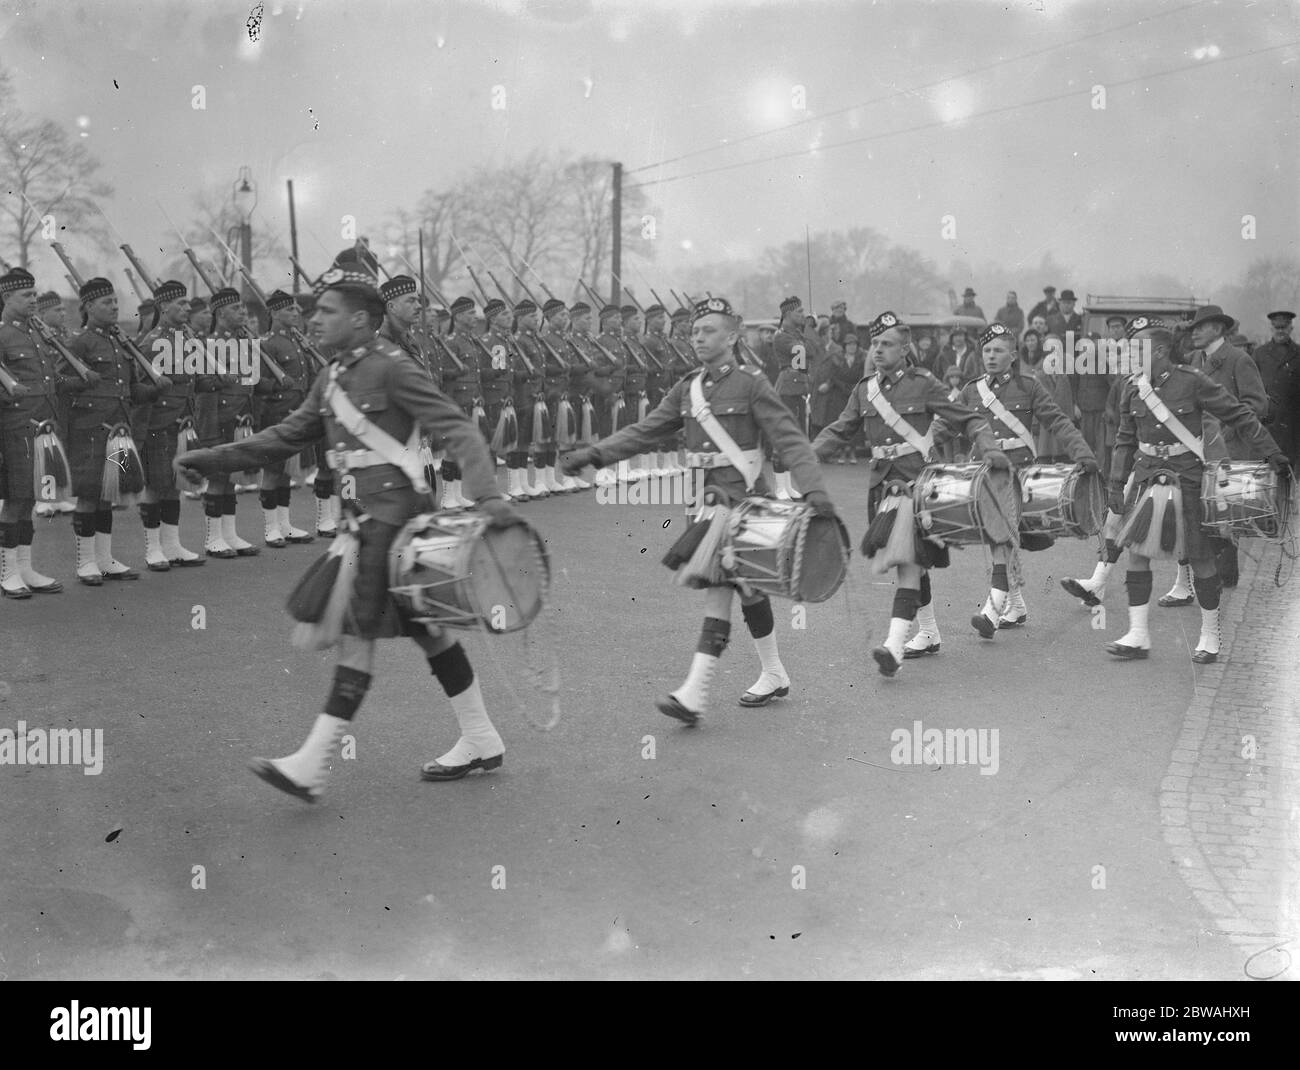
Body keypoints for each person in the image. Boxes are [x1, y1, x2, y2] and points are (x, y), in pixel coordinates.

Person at [174, 280, 525, 801]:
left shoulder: (394, 366)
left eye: (328, 311)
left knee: (357, 635)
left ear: (361, 319)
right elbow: (285, 436)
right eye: (314, 311)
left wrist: (490, 500)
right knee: (429, 633)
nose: (314, 319)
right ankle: (480, 737)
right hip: (362, 523)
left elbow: (459, 430)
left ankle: (310, 764)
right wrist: (208, 459)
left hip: (394, 524)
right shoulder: (331, 374)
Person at [560, 296, 835, 723]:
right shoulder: (687, 388)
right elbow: (645, 430)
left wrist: (815, 491)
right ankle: (772, 673)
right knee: (741, 589)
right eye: (694, 331)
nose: (698, 338)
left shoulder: (752, 383)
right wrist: (594, 454)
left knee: (727, 591)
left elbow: (790, 440)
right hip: (704, 508)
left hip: (746, 506)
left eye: (708, 331)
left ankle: (695, 692)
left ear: (732, 336)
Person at [811, 311, 1008, 676]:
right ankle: (930, 633)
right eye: (875, 344)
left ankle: (894, 646)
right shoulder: (864, 389)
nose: (877, 350)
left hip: (917, 488)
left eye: (886, 344)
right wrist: (807, 456)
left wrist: (989, 446)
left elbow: (970, 419)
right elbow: (839, 430)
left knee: (906, 564)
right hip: (880, 489)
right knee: (913, 563)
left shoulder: (923, 383)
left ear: (905, 350)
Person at [1101, 317, 1288, 663]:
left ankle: (1210, 633)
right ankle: (1138, 634)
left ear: (1158, 351)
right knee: (1137, 554)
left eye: (1135, 348)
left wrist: (1272, 452)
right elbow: (1124, 441)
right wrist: (1115, 483)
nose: (1129, 353)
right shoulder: (1132, 387)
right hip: (1146, 477)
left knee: (1201, 556)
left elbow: (1240, 415)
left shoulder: (1193, 382)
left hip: (1186, 478)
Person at [933, 323, 1097, 639]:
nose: (991, 356)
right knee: (1000, 540)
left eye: (998, 350)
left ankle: (992, 611)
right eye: (987, 350)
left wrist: (1083, 454)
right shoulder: (971, 390)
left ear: (1013, 355)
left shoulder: (1028, 386)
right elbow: (947, 426)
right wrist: (919, 446)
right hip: (981, 475)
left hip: (1016, 475)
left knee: (1001, 539)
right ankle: (1017, 606)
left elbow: (1058, 422)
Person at [1160, 303, 1268, 599]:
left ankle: (1220, 582)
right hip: (1195, 450)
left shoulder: (1238, 359)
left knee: (1221, 519)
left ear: (1219, 328)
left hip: (1226, 451)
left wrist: (1226, 426)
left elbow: (1258, 404)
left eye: (1200, 327)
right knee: (1190, 515)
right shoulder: (1194, 358)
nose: (1194, 332)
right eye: (1192, 328)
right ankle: (1188, 585)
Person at [65, 277, 165, 582]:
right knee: (88, 494)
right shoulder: (79, 342)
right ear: (88, 306)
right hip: (90, 428)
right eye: (106, 302)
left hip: (119, 429)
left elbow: (131, 389)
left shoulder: (119, 342)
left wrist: (154, 390)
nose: (114, 306)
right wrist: (83, 381)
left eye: (115, 301)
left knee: (107, 494)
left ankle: (104, 558)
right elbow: (60, 385)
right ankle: (85, 562)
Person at [0, 268, 80, 597]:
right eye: (26, 296)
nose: (34, 300)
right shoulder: (3, 335)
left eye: (35, 294)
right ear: (6, 298)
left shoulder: (36, 333)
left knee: (31, 498)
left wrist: (80, 383)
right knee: (15, 499)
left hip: (43, 426)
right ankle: (8, 572)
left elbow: (50, 381)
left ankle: (26, 567)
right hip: (15, 427)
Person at [134, 279, 205, 569]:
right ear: (164, 306)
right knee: (155, 485)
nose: (187, 308)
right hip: (158, 422)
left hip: (183, 420)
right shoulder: (151, 343)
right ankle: (153, 549)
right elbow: (140, 389)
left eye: (188, 303)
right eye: (181, 303)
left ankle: (173, 544)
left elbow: (193, 380)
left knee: (174, 485)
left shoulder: (187, 339)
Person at [256, 290, 317, 547]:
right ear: (274, 313)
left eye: (296, 309)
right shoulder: (267, 343)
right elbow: (257, 383)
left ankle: (285, 523)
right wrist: (278, 387)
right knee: (272, 471)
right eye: (290, 309)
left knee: (286, 474)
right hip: (276, 414)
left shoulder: (297, 341)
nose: (296, 313)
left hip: (298, 412)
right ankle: (271, 528)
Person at [771, 296, 812, 499]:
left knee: (796, 438)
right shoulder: (782, 336)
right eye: (800, 312)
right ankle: (779, 486)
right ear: (788, 314)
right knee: (784, 437)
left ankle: (787, 485)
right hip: (788, 388)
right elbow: (803, 357)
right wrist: (810, 333)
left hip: (799, 388)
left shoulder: (796, 334)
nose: (803, 315)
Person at [1254, 310, 1299, 463]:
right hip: (1268, 425)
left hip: (1294, 425)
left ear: (1291, 328)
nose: (1280, 331)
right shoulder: (1259, 354)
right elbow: (1253, 387)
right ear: (1271, 329)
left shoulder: (1298, 353)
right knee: (1267, 474)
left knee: (1292, 471)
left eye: (1284, 327)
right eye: (1277, 328)